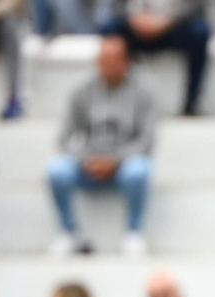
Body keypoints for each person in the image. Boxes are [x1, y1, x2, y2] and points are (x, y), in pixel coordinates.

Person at [47, 35, 155, 257]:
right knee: (57, 170)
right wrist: (86, 159)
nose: (108, 64)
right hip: (87, 164)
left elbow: (147, 141)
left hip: (124, 166)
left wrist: (115, 160)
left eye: (114, 59)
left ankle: (133, 232)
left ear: (127, 62)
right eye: (103, 59)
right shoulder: (81, 91)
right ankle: (68, 232)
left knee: (140, 170)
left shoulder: (144, 93)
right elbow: (64, 138)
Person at [101, 0, 211, 117]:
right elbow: (117, 5)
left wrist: (167, 20)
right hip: (136, 24)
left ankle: (191, 103)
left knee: (200, 32)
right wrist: (133, 17)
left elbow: (197, 6)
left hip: (174, 25)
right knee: (110, 29)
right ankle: (111, 97)